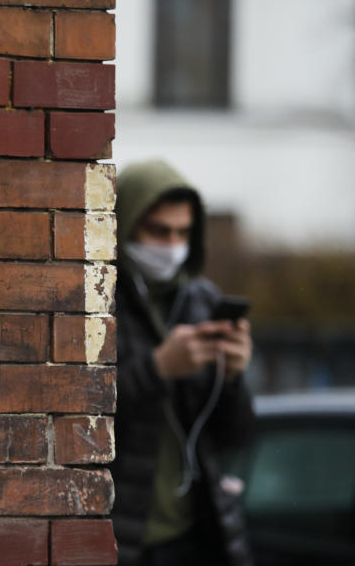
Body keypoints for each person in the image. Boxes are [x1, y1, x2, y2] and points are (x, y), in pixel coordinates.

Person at [111, 159, 255, 566]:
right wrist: (157, 369)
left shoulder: (202, 300)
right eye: (158, 230)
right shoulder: (96, 299)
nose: (172, 244)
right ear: (125, 224)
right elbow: (75, 419)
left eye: (183, 232)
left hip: (195, 533)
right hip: (124, 535)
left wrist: (234, 378)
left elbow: (233, 436)